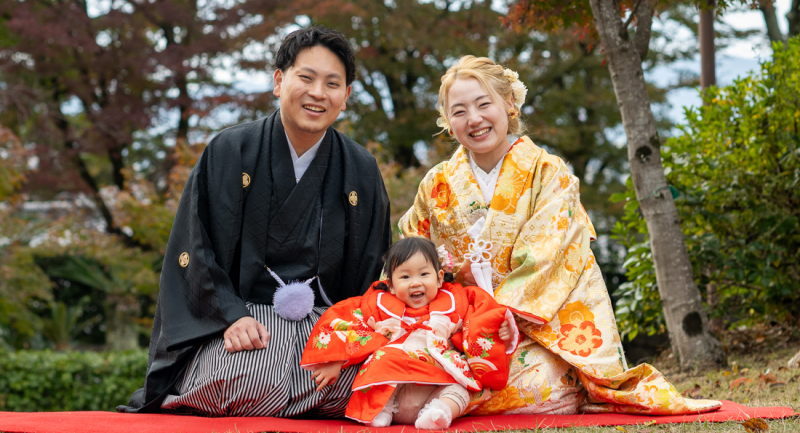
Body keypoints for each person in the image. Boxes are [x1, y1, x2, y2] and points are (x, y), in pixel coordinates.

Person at [398, 56, 722, 416]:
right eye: (458, 111)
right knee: (403, 360)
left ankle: (444, 399)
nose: (473, 119)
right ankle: (439, 394)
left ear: (510, 103)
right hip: (453, 324)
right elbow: (412, 254)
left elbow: (548, 258)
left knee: (536, 381)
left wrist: (494, 318)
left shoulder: (548, 173)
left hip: (525, 332)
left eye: (483, 104)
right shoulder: (437, 183)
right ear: (447, 121)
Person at [119, 26, 391, 416]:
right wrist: (229, 316)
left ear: (345, 97)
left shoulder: (360, 168)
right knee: (245, 375)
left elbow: (372, 266)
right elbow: (194, 247)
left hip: (327, 327)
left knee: (371, 380)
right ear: (279, 81)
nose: (318, 93)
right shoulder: (230, 151)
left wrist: (347, 342)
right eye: (306, 78)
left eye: (333, 83)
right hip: (246, 318)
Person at [299, 237, 520, 428]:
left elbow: (481, 318)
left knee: (460, 389)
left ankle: (439, 412)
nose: (415, 283)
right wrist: (336, 359)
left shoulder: (457, 301)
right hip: (395, 374)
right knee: (383, 366)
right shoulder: (379, 304)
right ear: (391, 285)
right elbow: (345, 320)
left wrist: (498, 328)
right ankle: (382, 410)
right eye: (405, 277)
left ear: (440, 277)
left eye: (424, 274)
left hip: (438, 374)